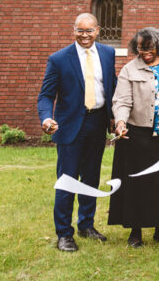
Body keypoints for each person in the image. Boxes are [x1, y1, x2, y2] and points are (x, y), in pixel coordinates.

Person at [37, 13, 116, 252]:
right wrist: (46, 117)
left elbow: (111, 85)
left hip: (98, 123)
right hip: (70, 125)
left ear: (98, 31)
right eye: (80, 31)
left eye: (89, 31)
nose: (84, 35)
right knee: (67, 180)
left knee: (91, 178)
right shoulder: (59, 59)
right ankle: (64, 233)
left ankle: (86, 225)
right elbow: (46, 95)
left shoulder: (108, 54)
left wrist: (116, 117)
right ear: (74, 31)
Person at [109, 27, 159, 248]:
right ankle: (135, 232)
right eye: (141, 48)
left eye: (150, 48)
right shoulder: (129, 69)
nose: (145, 52)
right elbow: (122, 101)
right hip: (138, 133)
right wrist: (121, 123)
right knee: (138, 182)